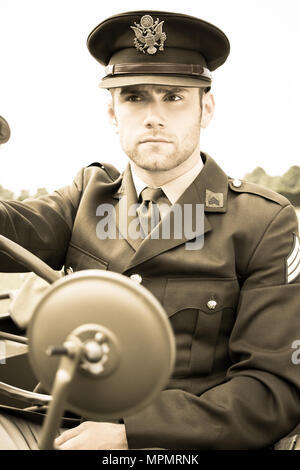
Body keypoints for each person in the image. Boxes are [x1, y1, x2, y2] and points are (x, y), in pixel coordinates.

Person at [0, 10, 300, 450]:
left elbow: (272, 391)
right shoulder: (88, 195)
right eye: (135, 97)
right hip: (60, 418)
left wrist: (131, 435)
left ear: (206, 108)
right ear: (112, 112)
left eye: (174, 97)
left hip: (177, 444)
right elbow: (11, 235)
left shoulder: (263, 223)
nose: (154, 117)